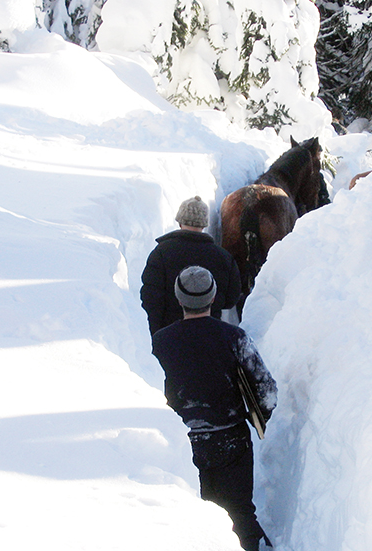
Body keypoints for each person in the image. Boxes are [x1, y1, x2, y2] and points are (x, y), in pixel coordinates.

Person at [151, 266, 277, 551]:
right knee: (240, 514)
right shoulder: (235, 338)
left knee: (189, 520)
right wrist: (253, 418)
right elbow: (267, 395)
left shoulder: (159, 343)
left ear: (179, 299)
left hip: (182, 445)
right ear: (213, 297)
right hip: (231, 441)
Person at [140, 196, 241, 335]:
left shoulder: (161, 253)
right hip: (210, 334)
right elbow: (231, 299)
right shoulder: (223, 257)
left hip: (169, 334)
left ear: (180, 221)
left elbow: (150, 298)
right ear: (204, 224)